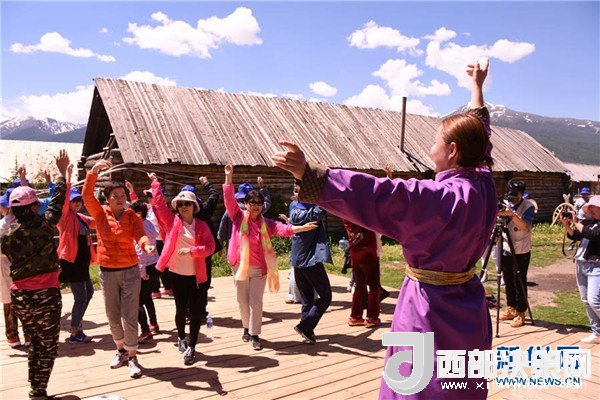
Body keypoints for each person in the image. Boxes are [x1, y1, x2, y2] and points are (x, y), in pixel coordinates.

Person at [273, 60, 495, 399]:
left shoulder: (435, 199)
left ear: (452, 151)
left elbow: (378, 194)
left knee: (415, 385)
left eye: (435, 141)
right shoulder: (484, 184)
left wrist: (310, 174)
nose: (430, 148)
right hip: (469, 308)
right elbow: (482, 137)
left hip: (428, 310)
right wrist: (477, 88)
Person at [223, 164, 317, 350]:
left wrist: (301, 228)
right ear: (246, 204)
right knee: (242, 300)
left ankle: (254, 334)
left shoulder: (266, 223)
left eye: (259, 203)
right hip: (239, 266)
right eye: (252, 202)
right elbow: (228, 199)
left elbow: (283, 229)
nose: (256, 206)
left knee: (256, 302)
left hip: (259, 268)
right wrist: (228, 177)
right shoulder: (237, 217)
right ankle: (246, 328)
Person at [1, 150, 68, 400]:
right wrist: (61, 174)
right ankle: (38, 391)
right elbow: (58, 200)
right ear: (33, 207)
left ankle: (36, 387)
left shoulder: (7, 236)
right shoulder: (46, 224)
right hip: (46, 295)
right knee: (47, 345)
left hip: (20, 297)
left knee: (36, 342)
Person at [82, 159, 155, 379]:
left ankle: (132, 356)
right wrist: (94, 172)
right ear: (107, 198)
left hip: (130, 271)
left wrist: (146, 245)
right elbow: (87, 196)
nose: (121, 199)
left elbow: (140, 234)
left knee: (129, 315)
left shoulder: (132, 216)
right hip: (107, 272)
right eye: (115, 196)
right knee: (112, 315)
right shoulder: (99, 213)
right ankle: (121, 350)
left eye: (123, 195)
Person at [149, 173, 215, 365]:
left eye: (188, 204)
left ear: (194, 206)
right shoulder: (172, 222)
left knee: (195, 313)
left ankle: (192, 346)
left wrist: (193, 251)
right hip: (177, 274)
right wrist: (155, 183)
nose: (184, 206)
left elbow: (210, 247)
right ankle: (180, 337)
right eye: (180, 204)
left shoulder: (202, 226)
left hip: (196, 276)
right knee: (180, 309)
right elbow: (159, 205)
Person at [57, 175, 97, 344]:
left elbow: (96, 221)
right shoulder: (65, 217)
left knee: (89, 293)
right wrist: (67, 180)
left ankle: (77, 323)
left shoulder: (80, 217)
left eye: (79, 200)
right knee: (80, 298)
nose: (77, 203)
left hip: (81, 264)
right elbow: (64, 202)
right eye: (74, 201)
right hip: (72, 263)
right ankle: (75, 332)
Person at [289, 200, 332, 343]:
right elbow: (327, 202)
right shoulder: (314, 213)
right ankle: (305, 327)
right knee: (326, 296)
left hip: (297, 260)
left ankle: (306, 333)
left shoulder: (293, 207)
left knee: (307, 299)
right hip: (310, 261)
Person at [497, 179, 535, 328]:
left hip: (521, 249)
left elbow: (525, 226)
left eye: (516, 195)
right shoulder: (506, 203)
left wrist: (512, 214)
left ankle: (521, 312)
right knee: (508, 280)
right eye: (511, 195)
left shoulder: (528, 206)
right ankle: (511, 307)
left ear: (522, 194)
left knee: (519, 280)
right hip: (506, 247)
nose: (513, 198)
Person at [562, 195, 600, 344]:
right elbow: (577, 235)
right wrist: (567, 225)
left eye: (594, 208)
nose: (592, 210)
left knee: (594, 300)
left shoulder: (594, 227)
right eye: (591, 208)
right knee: (586, 300)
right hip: (582, 265)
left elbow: (593, 235)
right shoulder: (592, 223)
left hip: (596, 266)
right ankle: (597, 333)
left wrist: (576, 222)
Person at [183, 176, 220, 323]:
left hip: (186, 253)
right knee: (203, 281)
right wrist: (206, 183)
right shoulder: (204, 210)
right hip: (203, 252)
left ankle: (188, 312)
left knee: (187, 282)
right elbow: (215, 195)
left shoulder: (180, 215)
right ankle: (201, 311)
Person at [126, 181, 171, 299]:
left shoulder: (161, 209)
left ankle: (167, 286)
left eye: (152, 196)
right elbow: (137, 206)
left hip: (162, 240)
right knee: (154, 262)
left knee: (162, 264)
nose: (149, 198)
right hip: (153, 239)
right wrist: (131, 191)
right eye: (149, 196)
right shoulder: (149, 208)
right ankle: (155, 289)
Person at [0, 188, 30, 348]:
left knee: (10, 302)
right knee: (25, 302)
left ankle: (13, 336)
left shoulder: (4, 224)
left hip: (7, 267)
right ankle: (28, 335)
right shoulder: (30, 221)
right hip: (22, 267)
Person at [130, 200, 160, 343]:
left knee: (136, 301)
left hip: (145, 268)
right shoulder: (149, 223)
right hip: (154, 264)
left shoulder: (140, 227)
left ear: (138, 213)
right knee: (147, 297)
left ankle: (145, 330)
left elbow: (140, 252)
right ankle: (153, 323)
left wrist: (142, 272)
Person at [343, 219, 381, 328]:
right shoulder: (366, 212)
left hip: (354, 250)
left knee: (359, 285)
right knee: (374, 285)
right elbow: (376, 225)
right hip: (369, 248)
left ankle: (355, 316)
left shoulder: (346, 213)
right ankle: (372, 317)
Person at [217, 177, 271, 249]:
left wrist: (220, 242)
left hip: (233, 245)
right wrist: (263, 188)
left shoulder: (232, 209)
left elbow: (223, 225)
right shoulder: (256, 209)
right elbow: (267, 203)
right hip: (252, 245)